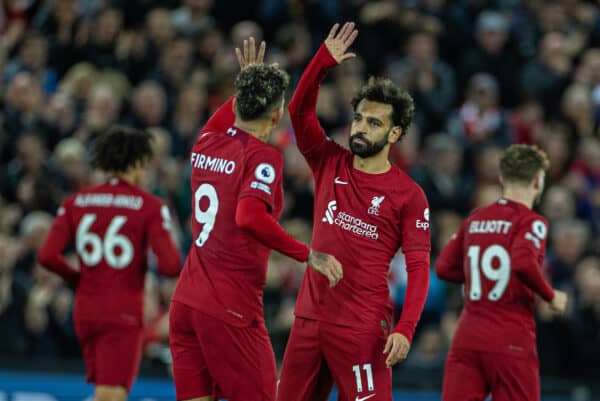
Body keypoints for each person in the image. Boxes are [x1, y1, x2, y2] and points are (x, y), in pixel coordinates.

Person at [169, 38, 342, 401]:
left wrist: (249, 81)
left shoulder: (207, 140)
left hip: (186, 302)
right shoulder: (264, 156)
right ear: (277, 115)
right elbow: (248, 216)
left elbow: (231, 114)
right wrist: (306, 253)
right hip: (229, 307)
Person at [277, 23, 431, 401]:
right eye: (359, 118)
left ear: (395, 134)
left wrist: (406, 329)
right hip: (309, 320)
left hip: (362, 328)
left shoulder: (409, 195)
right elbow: (298, 111)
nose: (361, 128)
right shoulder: (329, 160)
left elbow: (418, 268)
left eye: (374, 123)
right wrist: (321, 63)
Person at [37, 126, 182, 401]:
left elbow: (47, 256)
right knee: (111, 395)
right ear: (138, 163)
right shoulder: (149, 206)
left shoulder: (75, 202)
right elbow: (170, 265)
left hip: (85, 311)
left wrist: (75, 278)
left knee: (103, 392)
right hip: (123, 312)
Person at [435, 144, 568, 401]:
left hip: (468, 336)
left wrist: (480, 277)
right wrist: (551, 296)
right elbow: (522, 262)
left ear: (502, 177)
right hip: (511, 338)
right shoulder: (531, 222)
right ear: (538, 180)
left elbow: (443, 267)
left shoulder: (474, 219)